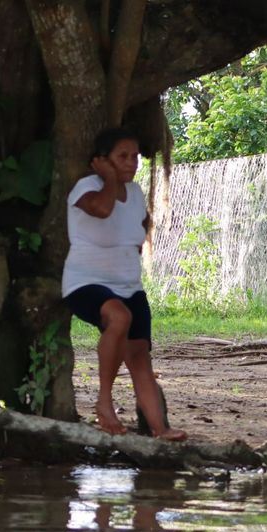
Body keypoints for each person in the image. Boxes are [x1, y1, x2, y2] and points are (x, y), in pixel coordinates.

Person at [62, 127, 187, 441]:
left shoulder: (136, 193)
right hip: (85, 282)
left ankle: (160, 430)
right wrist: (110, 180)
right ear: (102, 161)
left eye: (135, 157)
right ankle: (104, 402)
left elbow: (141, 227)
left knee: (140, 356)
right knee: (119, 318)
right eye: (122, 157)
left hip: (129, 284)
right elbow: (103, 210)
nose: (132, 163)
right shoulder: (86, 188)